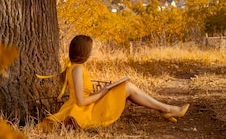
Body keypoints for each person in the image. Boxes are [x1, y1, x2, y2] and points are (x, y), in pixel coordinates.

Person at [38, 35, 189, 130]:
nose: (92, 53)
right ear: (84, 52)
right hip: (84, 111)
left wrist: (105, 89)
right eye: (90, 50)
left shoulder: (77, 67)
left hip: (89, 105)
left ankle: (166, 109)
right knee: (128, 87)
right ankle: (167, 109)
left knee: (126, 86)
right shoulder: (77, 69)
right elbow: (81, 101)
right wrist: (103, 92)